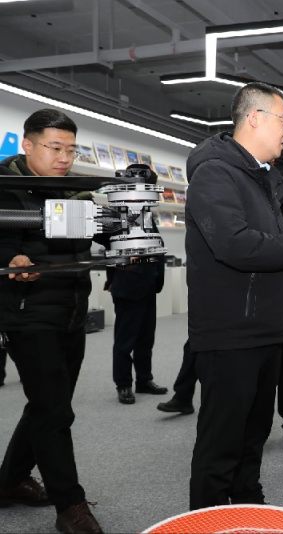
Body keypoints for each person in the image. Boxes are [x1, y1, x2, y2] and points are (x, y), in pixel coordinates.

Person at [185, 82, 283, 510]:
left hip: (266, 328)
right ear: (254, 118)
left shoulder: (261, 177)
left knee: (253, 436)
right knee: (221, 443)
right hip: (230, 332)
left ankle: (248, 505)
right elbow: (234, 243)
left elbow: (270, 239)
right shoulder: (215, 173)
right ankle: (208, 520)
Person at [0, 109, 102, 532]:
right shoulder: (4, 188)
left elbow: (94, 236)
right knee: (54, 410)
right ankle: (70, 505)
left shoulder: (76, 191)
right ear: (28, 144)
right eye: (55, 148)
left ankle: (9, 481)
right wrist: (11, 258)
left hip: (72, 311)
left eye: (71, 150)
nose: (64, 158)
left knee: (48, 404)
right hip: (26, 313)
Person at [106, 258, 169, 404]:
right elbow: (111, 254)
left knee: (146, 339)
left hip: (149, 285)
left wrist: (157, 280)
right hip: (127, 286)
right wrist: (112, 281)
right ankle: (123, 384)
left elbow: (158, 252)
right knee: (125, 342)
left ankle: (144, 380)